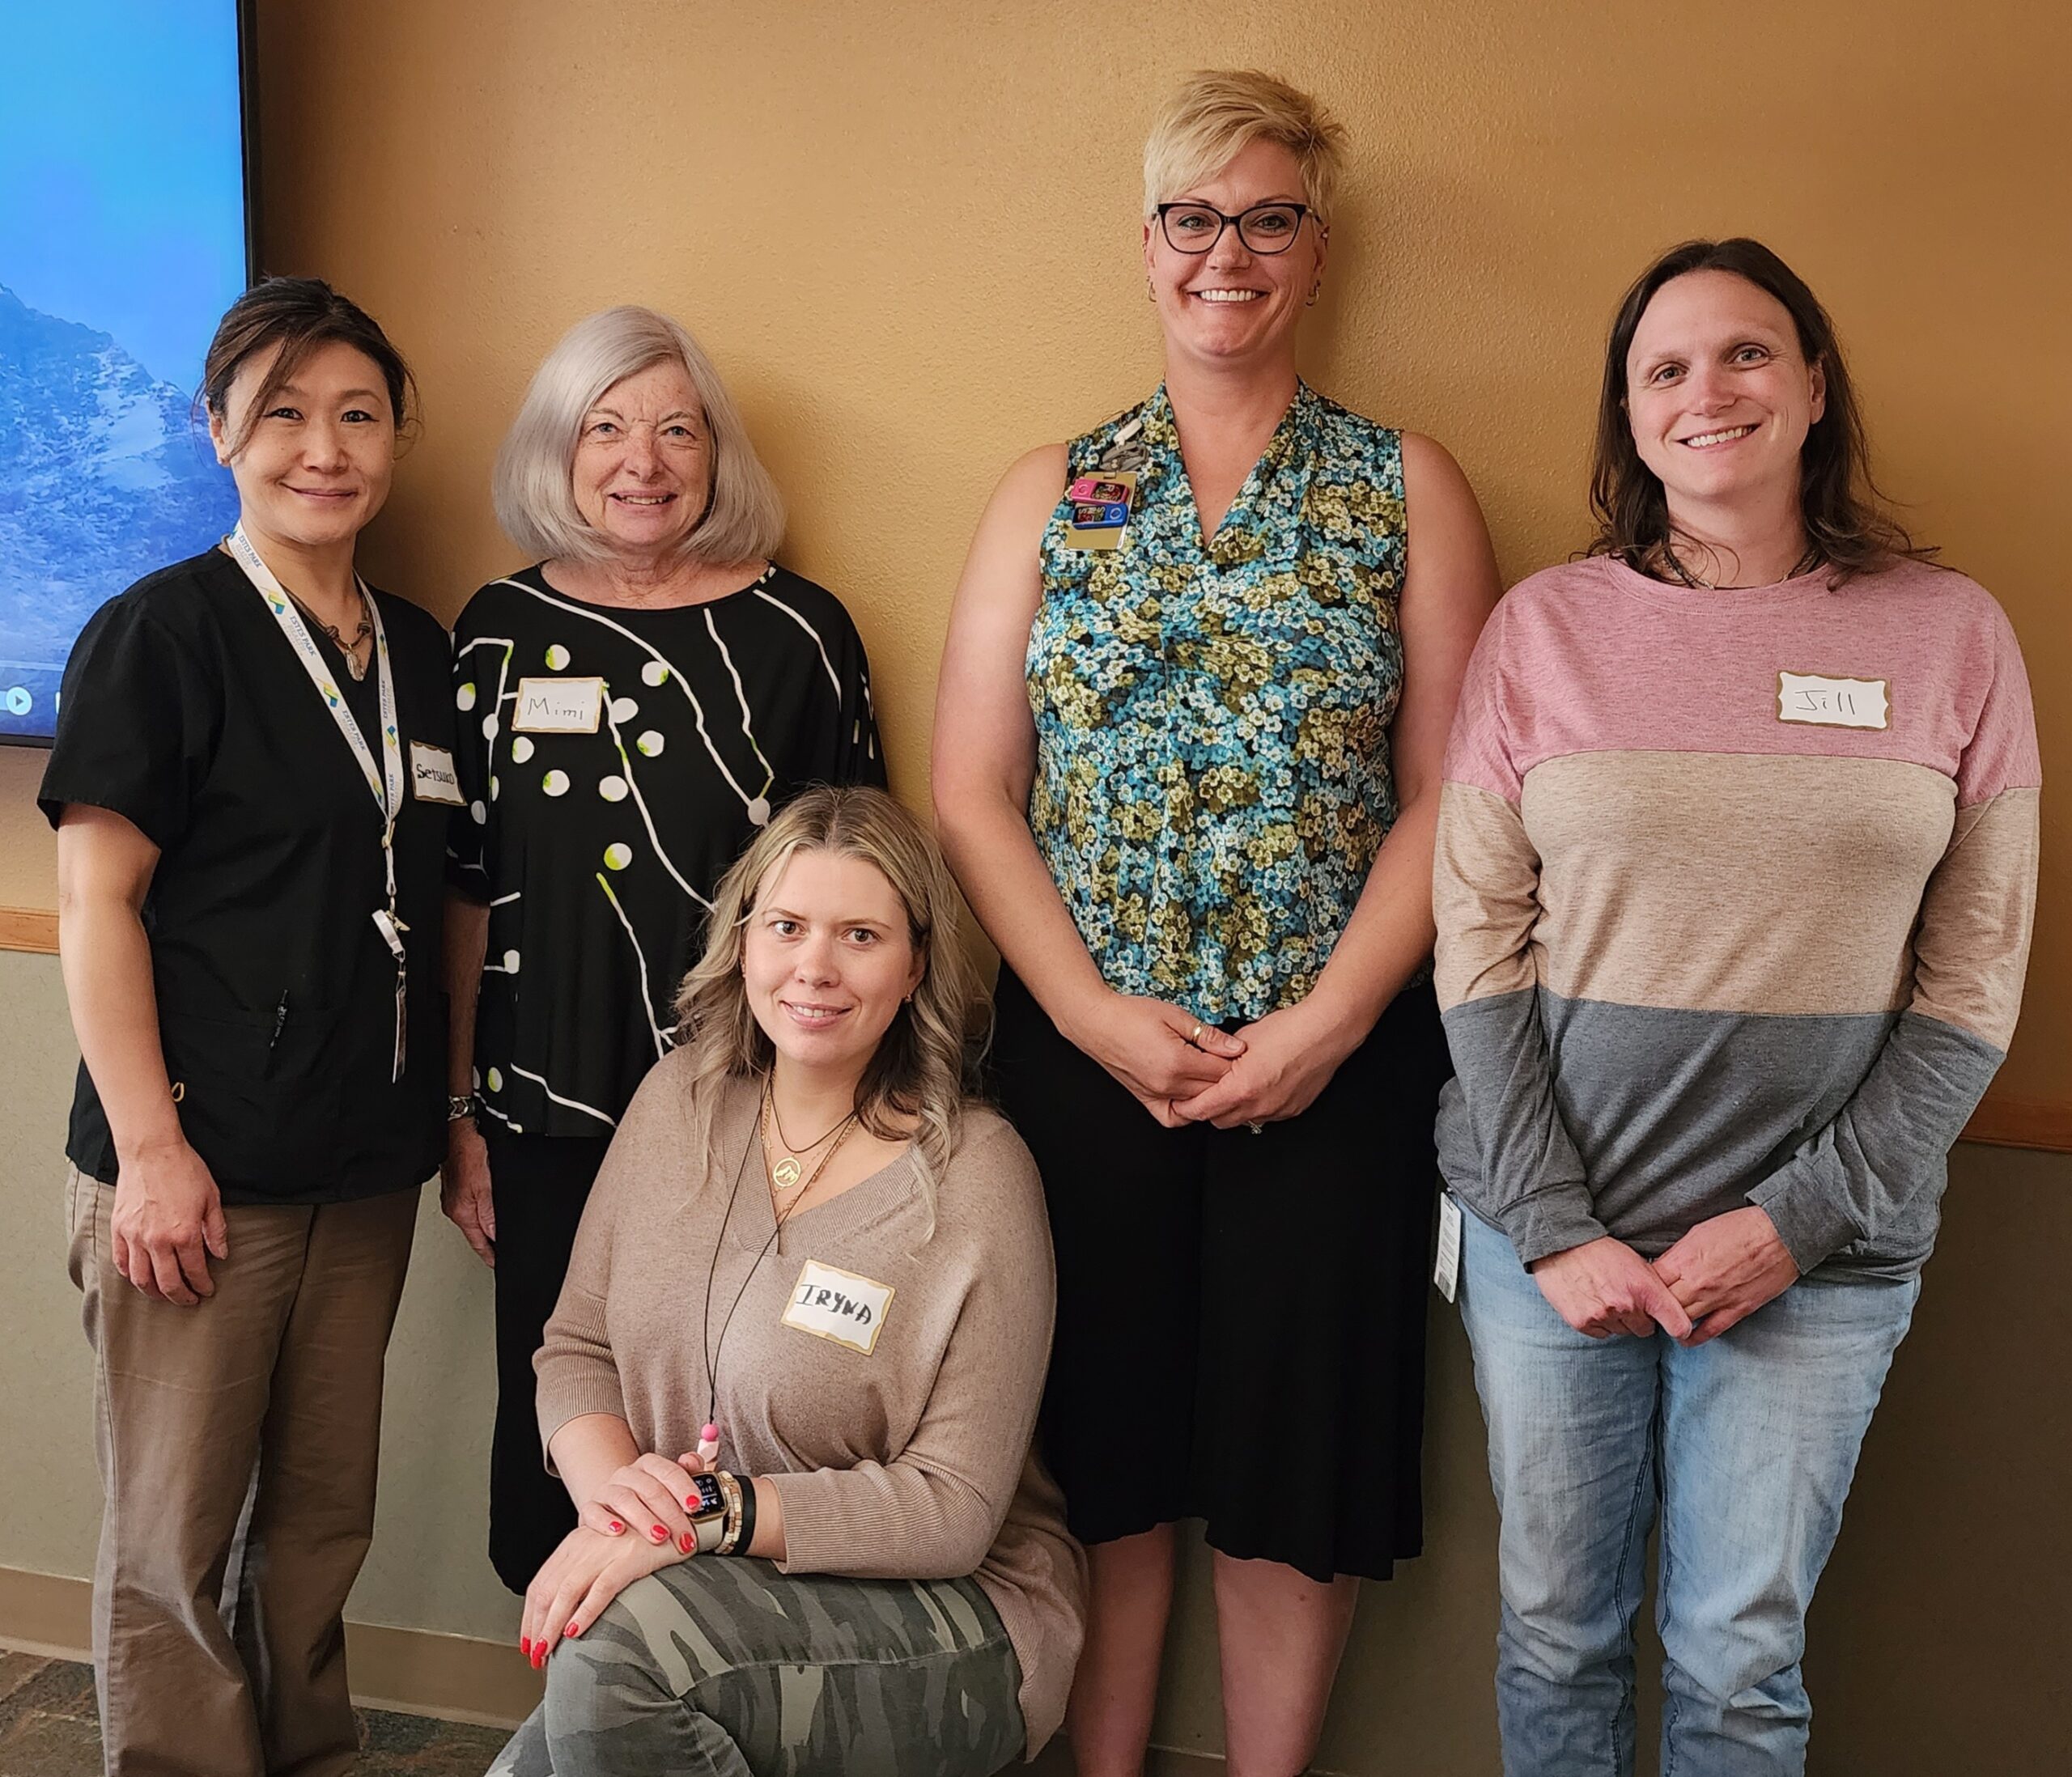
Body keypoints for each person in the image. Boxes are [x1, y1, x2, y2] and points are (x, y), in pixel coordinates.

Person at [932, 70, 1501, 1777]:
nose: (1225, 253)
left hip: (1326, 1060)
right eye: (1192, 217)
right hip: (1083, 1057)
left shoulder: (1403, 486)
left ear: (1314, 251)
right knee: (1099, 1458)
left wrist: (1325, 1026)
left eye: (1266, 217)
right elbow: (971, 793)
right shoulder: (1054, 489)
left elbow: (1449, 796)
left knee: (1288, 1478)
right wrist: (1096, 1020)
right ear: (1147, 245)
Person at [1433, 237, 2040, 1774]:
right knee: (1554, 1639)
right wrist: (1555, 1226)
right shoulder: (1543, 631)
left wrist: (1800, 1218)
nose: (1710, 390)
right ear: (1631, 420)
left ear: (1817, 385)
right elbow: (1477, 943)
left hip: (1821, 1262)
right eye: (1666, 368)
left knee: (1738, 1664)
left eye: (1749, 352)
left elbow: (1973, 984)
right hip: (1556, 1251)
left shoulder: (1950, 635)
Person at [41, 278, 453, 1776]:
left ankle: (311, 1755)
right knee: (174, 1537)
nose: (322, 449)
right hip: (196, 1168)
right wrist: (151, 1151)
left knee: (323, 1516)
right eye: (282, 413)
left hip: (359, 1164)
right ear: (218, 431)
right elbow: (98, 907)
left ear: (395, 435)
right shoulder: (159, 635)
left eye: (355, 414)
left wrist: (448, 1119)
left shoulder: (414, 649)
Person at [486, 784, 1084, 1775]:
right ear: (743, 943)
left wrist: (703, 1520)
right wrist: (621, 1507)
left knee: (616, 1666)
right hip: (688, 1587)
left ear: (916, 965)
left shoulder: (977, 1175)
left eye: (860, 935)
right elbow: (577, 1347)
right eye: (788, 927)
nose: (814, 966)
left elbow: (952, 1510)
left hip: (956, 1621)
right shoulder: (677, 1100)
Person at [440, 305, 884, 1593]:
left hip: (758, 1111)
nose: (643, 460)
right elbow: (465, 890)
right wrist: (462, 1109)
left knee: (745, 1406)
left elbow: (863, 885)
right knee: (560, 1400)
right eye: (607, 428)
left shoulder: (802, 636)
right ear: (559, 452)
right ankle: (578, 1713)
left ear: (717, 454)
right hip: (549, 1110)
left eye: (676, 429)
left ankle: (720, 1693)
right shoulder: (493, 634)